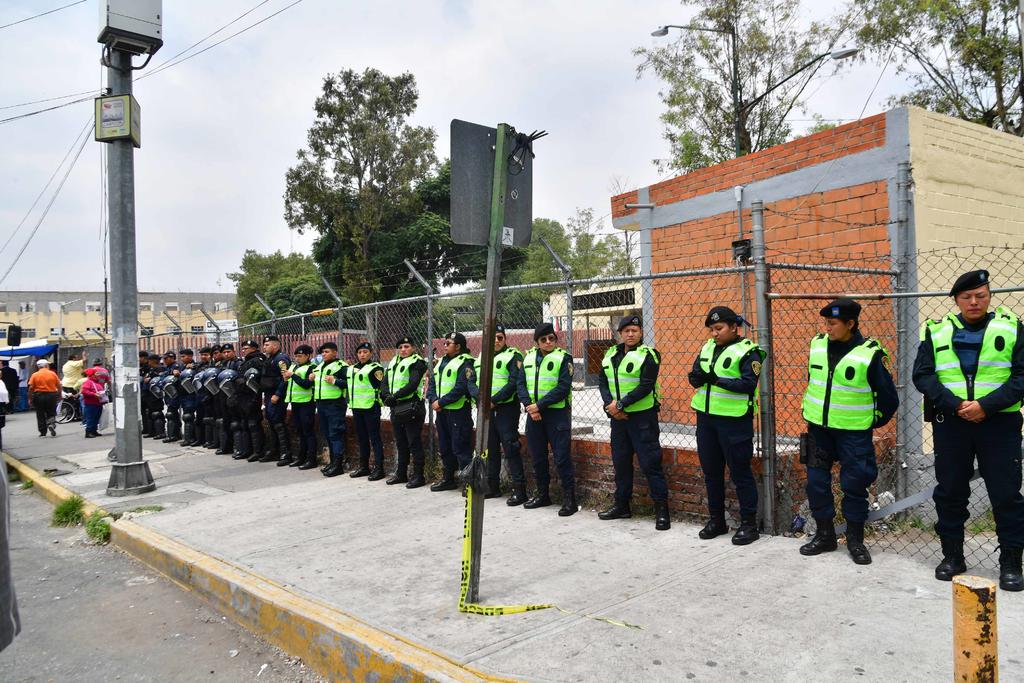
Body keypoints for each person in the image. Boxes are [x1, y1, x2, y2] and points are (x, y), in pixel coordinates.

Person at [913, 270, 1024, 591]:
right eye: (966, 297)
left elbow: (1021, 377)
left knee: (1006, 495)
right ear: (957, 300)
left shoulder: (1012, 328)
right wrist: (956, 404)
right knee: (950, 492)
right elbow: (922, 375)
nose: (974, 302)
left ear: (989, 296)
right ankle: (953, 556)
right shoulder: (936, 331)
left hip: (999, 425)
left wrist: (985, 406)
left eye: (981, 295)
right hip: (952, 423)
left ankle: (1011, 563)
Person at [799, 298, 898, 565]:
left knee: (854, 486)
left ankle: (855, 541)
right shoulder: (817, 344)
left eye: (833, 323)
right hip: (819, 431)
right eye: (826, 323)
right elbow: (814, 382)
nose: (827, 328)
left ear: (851, 324)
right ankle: (825, 535)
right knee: (816, 484)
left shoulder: (871, 353)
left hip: (853, 434)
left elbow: (889, 399)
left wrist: (870, 420)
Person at [685, 307, 765, 542]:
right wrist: (695, 378)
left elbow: (748, 384)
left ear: (733, 327)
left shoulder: (749, 351)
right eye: (711, 329)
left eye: (718, 329)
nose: (714, 334)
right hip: (706, 419)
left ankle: (749, 525)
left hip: (734, 421)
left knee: (740, 473)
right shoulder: (708, 347)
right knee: (712, 473)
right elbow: (698, 371)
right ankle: (716, 521)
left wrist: (716, 380)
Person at [599, 314, 672, 531]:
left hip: (642, 419)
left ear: (641, 333)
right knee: (621, 464)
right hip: (618, 420)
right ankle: (622, 506)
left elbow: (646, 386)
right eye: (627, 331)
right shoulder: (610, 353)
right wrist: (610, 407)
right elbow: (603, 382)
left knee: (651, 464)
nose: (631, 334)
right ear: (620, 333)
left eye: (635, 331)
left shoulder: (649, 355)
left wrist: (620, 405)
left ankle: (662, 512)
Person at [517, 323, 577, 516]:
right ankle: (543, 495)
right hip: (533, 415)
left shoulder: (564, 358)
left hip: (556, 415)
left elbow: (563, 387)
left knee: (561, 458)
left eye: (551, 338)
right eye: (544, 339)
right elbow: (520, 384)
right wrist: (529, 406)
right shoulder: (528, 358)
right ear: (537, 342)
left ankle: (570, 500)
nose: (548, 342)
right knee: (538, 457)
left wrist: (539, 406)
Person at [469, 324, 526, 503]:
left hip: (505, 409)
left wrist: (493, 400)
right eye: (493, 337)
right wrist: (481, 400)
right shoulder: (480, 358)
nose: (496, 340)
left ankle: (520, 490)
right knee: (490, 448)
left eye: (500, 337)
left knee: (510, 447)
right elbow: (470, 381)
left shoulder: (513, 355)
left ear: (505, 339)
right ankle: (493, 487)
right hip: (486, 409)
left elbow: (513, 382)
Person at [426, 332, 476, 492]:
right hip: (442, 412)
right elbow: (432, 382)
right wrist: (433, 399)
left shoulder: (466, 363)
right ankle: (448, 479)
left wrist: (441, 402)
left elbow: (462, 387)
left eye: (449, 343)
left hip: (458, 411)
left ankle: (469, 483)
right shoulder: (440, 362)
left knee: (460, 447)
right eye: (445, 343)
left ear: (458, 346)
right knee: (445, 446)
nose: (445, 345)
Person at [380, 336, 428, 488]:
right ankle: (401, 474)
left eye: (406, 347)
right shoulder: (394, 361)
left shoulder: (418, 362)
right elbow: (385, 381)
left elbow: (413, 384)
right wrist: (386, 395)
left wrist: (394, 396)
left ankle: (419, 476)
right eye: (400, 347)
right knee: (401, 442)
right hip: (396, 407)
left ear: (413, 348)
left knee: (414, 442)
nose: (403, 350)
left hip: (411, 406)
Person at [347, 342, 386, 480]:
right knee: (362, 438)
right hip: (357, 407)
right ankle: (364, 467)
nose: (362, 355)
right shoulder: (351, 369)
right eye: (360, 352)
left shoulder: (375, 368)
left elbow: (380, 386)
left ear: (371, 353)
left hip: (371, 407)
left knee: (375, 438)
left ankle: (379, 469)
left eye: (365, 352)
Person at [311, 341, 348, 477]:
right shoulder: (320, 366)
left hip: (335, 404)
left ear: (334, 352)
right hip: (321, 403)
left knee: (335, 434)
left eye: (327, 352)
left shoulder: (341, 366)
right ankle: (332, 463)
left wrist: (335, 381)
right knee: (327, 434)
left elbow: (349, 383)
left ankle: (338, 465)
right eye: (322, 352)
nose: (324, 354)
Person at [281, 344, 318, 470]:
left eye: (300, 356)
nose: (297, 358)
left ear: (308, 356)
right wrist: (286, 378)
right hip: (295, 403)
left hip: (306, 403)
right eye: (296, 356)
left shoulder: (311, 368)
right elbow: (290, 383)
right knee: (300, 432)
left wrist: (293, 376)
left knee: (308, 432)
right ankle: (301, 457)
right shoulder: (294, 367)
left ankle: (311, 459)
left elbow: (307, 384)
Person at [260, 336, 291, 464]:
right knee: (271, 423)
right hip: (269, 395)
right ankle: (274, 450)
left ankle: (285, 453)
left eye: (267, 345)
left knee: (278, 423)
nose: (264, 347)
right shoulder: (271, 359)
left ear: (276, 346)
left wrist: (278, 394)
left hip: (276, 396)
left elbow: (285, 378)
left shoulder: (281, 359)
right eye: (264, 345)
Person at [234, 341, 267, 462]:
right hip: (243, 396)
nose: (243, 350)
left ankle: (258, 451)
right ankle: (247, 450)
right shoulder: (246, 361)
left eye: (246, 348)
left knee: (253, 424)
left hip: (252, 396)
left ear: (253, 348)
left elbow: (257, 378)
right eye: (242, 348)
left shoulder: (257, 360)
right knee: (244, 424)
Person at [28, 359, 60, 437]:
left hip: (38, 395)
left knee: (40, 413)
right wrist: (59, 395)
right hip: (51, 395)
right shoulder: (52, 374)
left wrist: (30, 398)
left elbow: (31, 388)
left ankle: (43, 432)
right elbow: (59, 385)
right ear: (46, 365)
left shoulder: (35, 375)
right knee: (51, 412)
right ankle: (51, 424)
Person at [160, 352, 184, 443]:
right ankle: (175, 434)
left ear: (172, 358)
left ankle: (173, 435)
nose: (165, 360)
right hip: (168, 393)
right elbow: (162, 378)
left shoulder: (176, 366)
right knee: (173, 414)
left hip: (174, 393)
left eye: (166, 359)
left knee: (171, 414)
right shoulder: (167, 368)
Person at [80, 367, 109, 438]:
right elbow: (84, 391)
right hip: (91, 404)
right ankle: (89, 432)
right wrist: (94, 394)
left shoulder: (96, 382)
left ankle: (94, 431)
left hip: (98, 403)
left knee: (96, 418)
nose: (98, 374)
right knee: (91, 418)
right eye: (96, 373)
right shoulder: (88, 382)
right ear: (92, 375)